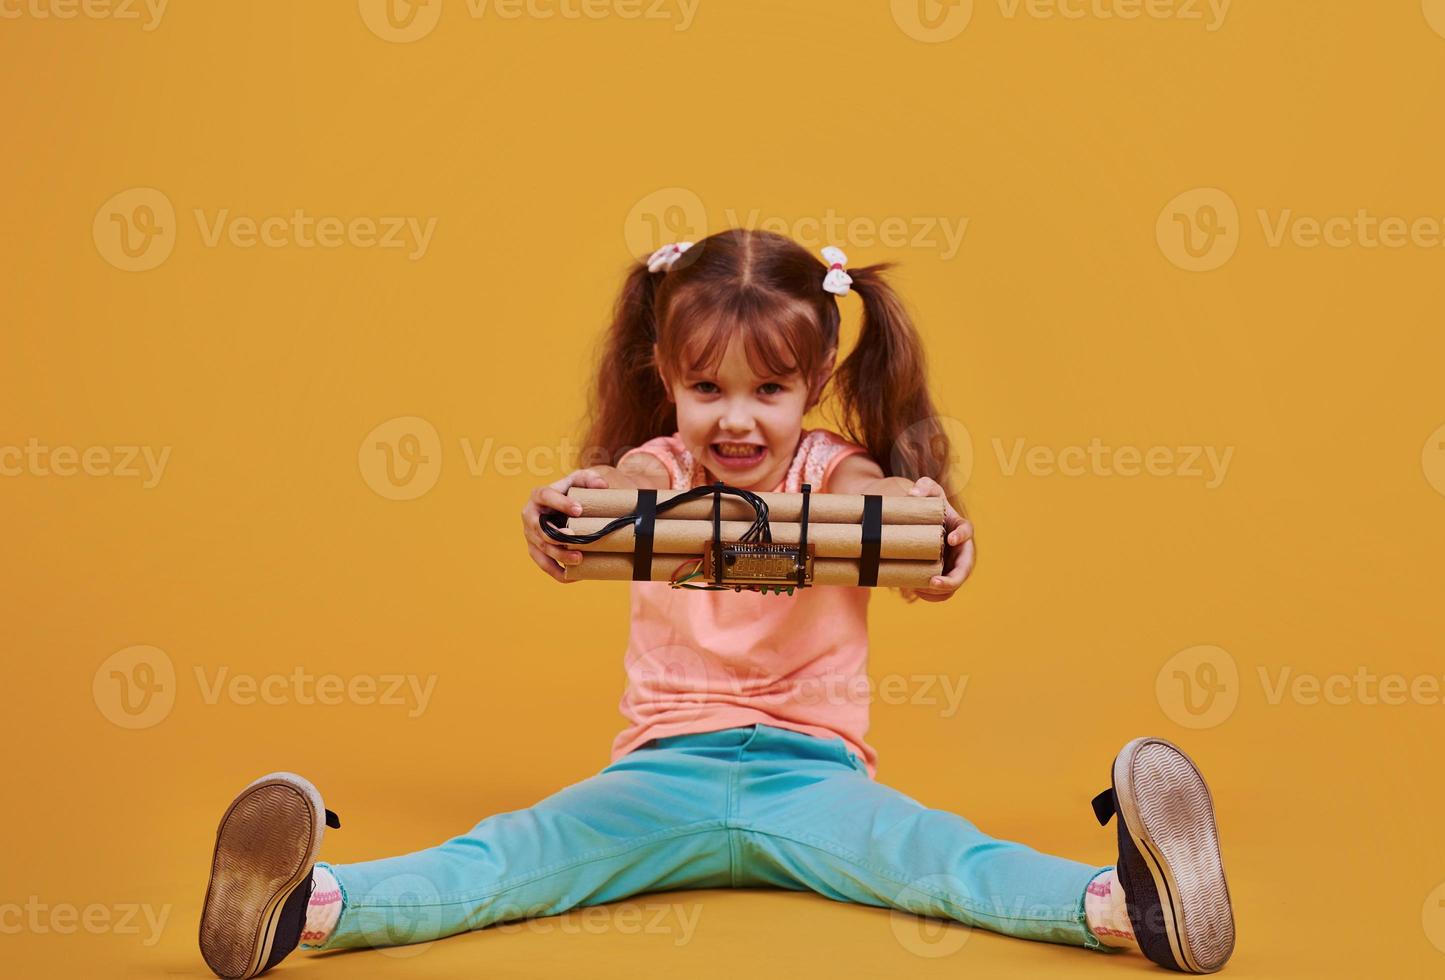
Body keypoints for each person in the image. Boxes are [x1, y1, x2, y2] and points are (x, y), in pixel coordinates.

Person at [197, 229, 1234, 978]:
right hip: (661, 772)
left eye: (768, 391)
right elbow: (615, 499)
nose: (736, 419)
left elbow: (884, 518)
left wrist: (929, 524)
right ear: (668, 377)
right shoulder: (657, 466)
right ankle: (310, 906)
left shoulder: (834, 471)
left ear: (815, 379)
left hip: (812, 777)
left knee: (942, 856)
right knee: (511, 853)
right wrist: (564, 506)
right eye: (708, 390)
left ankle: (1128, 906)